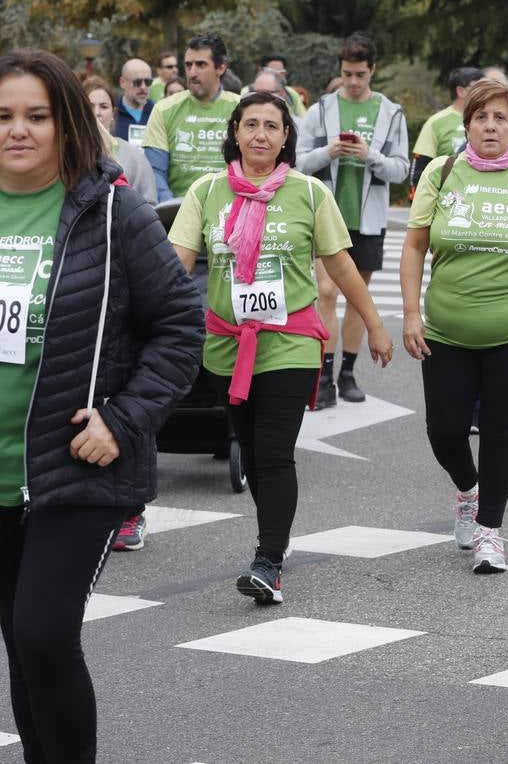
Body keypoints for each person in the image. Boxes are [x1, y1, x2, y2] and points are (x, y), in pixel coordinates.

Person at [0, 49, 201, 763]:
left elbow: (181, 326)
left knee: (45, 632)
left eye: (35, 116)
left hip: (76, 464)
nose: (16, 130)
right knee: (23, 646)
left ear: (64, 124)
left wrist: (122, 419)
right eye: (3, 116)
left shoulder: (111, 209)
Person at [169, 91, 393, 604]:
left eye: (272, 126)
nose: (261, 135)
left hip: (290, 343)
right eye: (251, 125)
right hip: (226, 346)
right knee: (249, 450)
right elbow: (174, 264)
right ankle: (275, 538)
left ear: (286, 136)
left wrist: (376, 325)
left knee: (272, 455)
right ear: (236, 131)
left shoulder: (309, 193)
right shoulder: (206, 193)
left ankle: (268, 560)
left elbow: (341, 266)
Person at [401, 80, 508, 573]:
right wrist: (412, 314)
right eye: (481, 117)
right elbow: (415, 245)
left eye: (501, 118)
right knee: (444, 429)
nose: (491, 126)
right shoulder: (442, 172)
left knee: (502, 429)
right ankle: (468, 489)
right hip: (447, 328)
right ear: (467, 125)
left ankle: (490, 532)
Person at [298, 35, 410, 407]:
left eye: (360, 74)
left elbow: (401, 170)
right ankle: (323, 375)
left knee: (357, 298)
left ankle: (347, 372)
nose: (353, 81)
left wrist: (369, 155)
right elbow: (297, 162)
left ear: (372, 70)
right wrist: (328, 151)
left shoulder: (391, 112)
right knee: (326, 292)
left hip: (368, 218)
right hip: (324, 215)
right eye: (347, 74)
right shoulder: (322, 108)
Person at [142, 34, 241, 201]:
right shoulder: (164, 109)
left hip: (230, 211)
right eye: (188, 65)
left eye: (201, 65)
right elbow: (155, 171)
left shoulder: (242, 109)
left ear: (221, 67)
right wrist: (173, 208)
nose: (192, 73)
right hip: (177, 208)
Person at [83, 75, 156, 213]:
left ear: (113, 113)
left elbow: (149, 205)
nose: (97, 113)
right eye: (90, 106)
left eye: (104, 107)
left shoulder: (133, 155)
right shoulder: (67, 154)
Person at [411, 66, 485, 187]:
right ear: (461, 91)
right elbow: (420, 168)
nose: (485, 92)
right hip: (447, 197)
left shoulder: (490, 121)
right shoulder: (436, 122)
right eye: (479, 88)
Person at [113, 58, 154, 143]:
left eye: (147, 82)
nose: (143, 87)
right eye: (137, 82)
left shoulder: (157, 112)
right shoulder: (112, 113)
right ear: (122, 82)